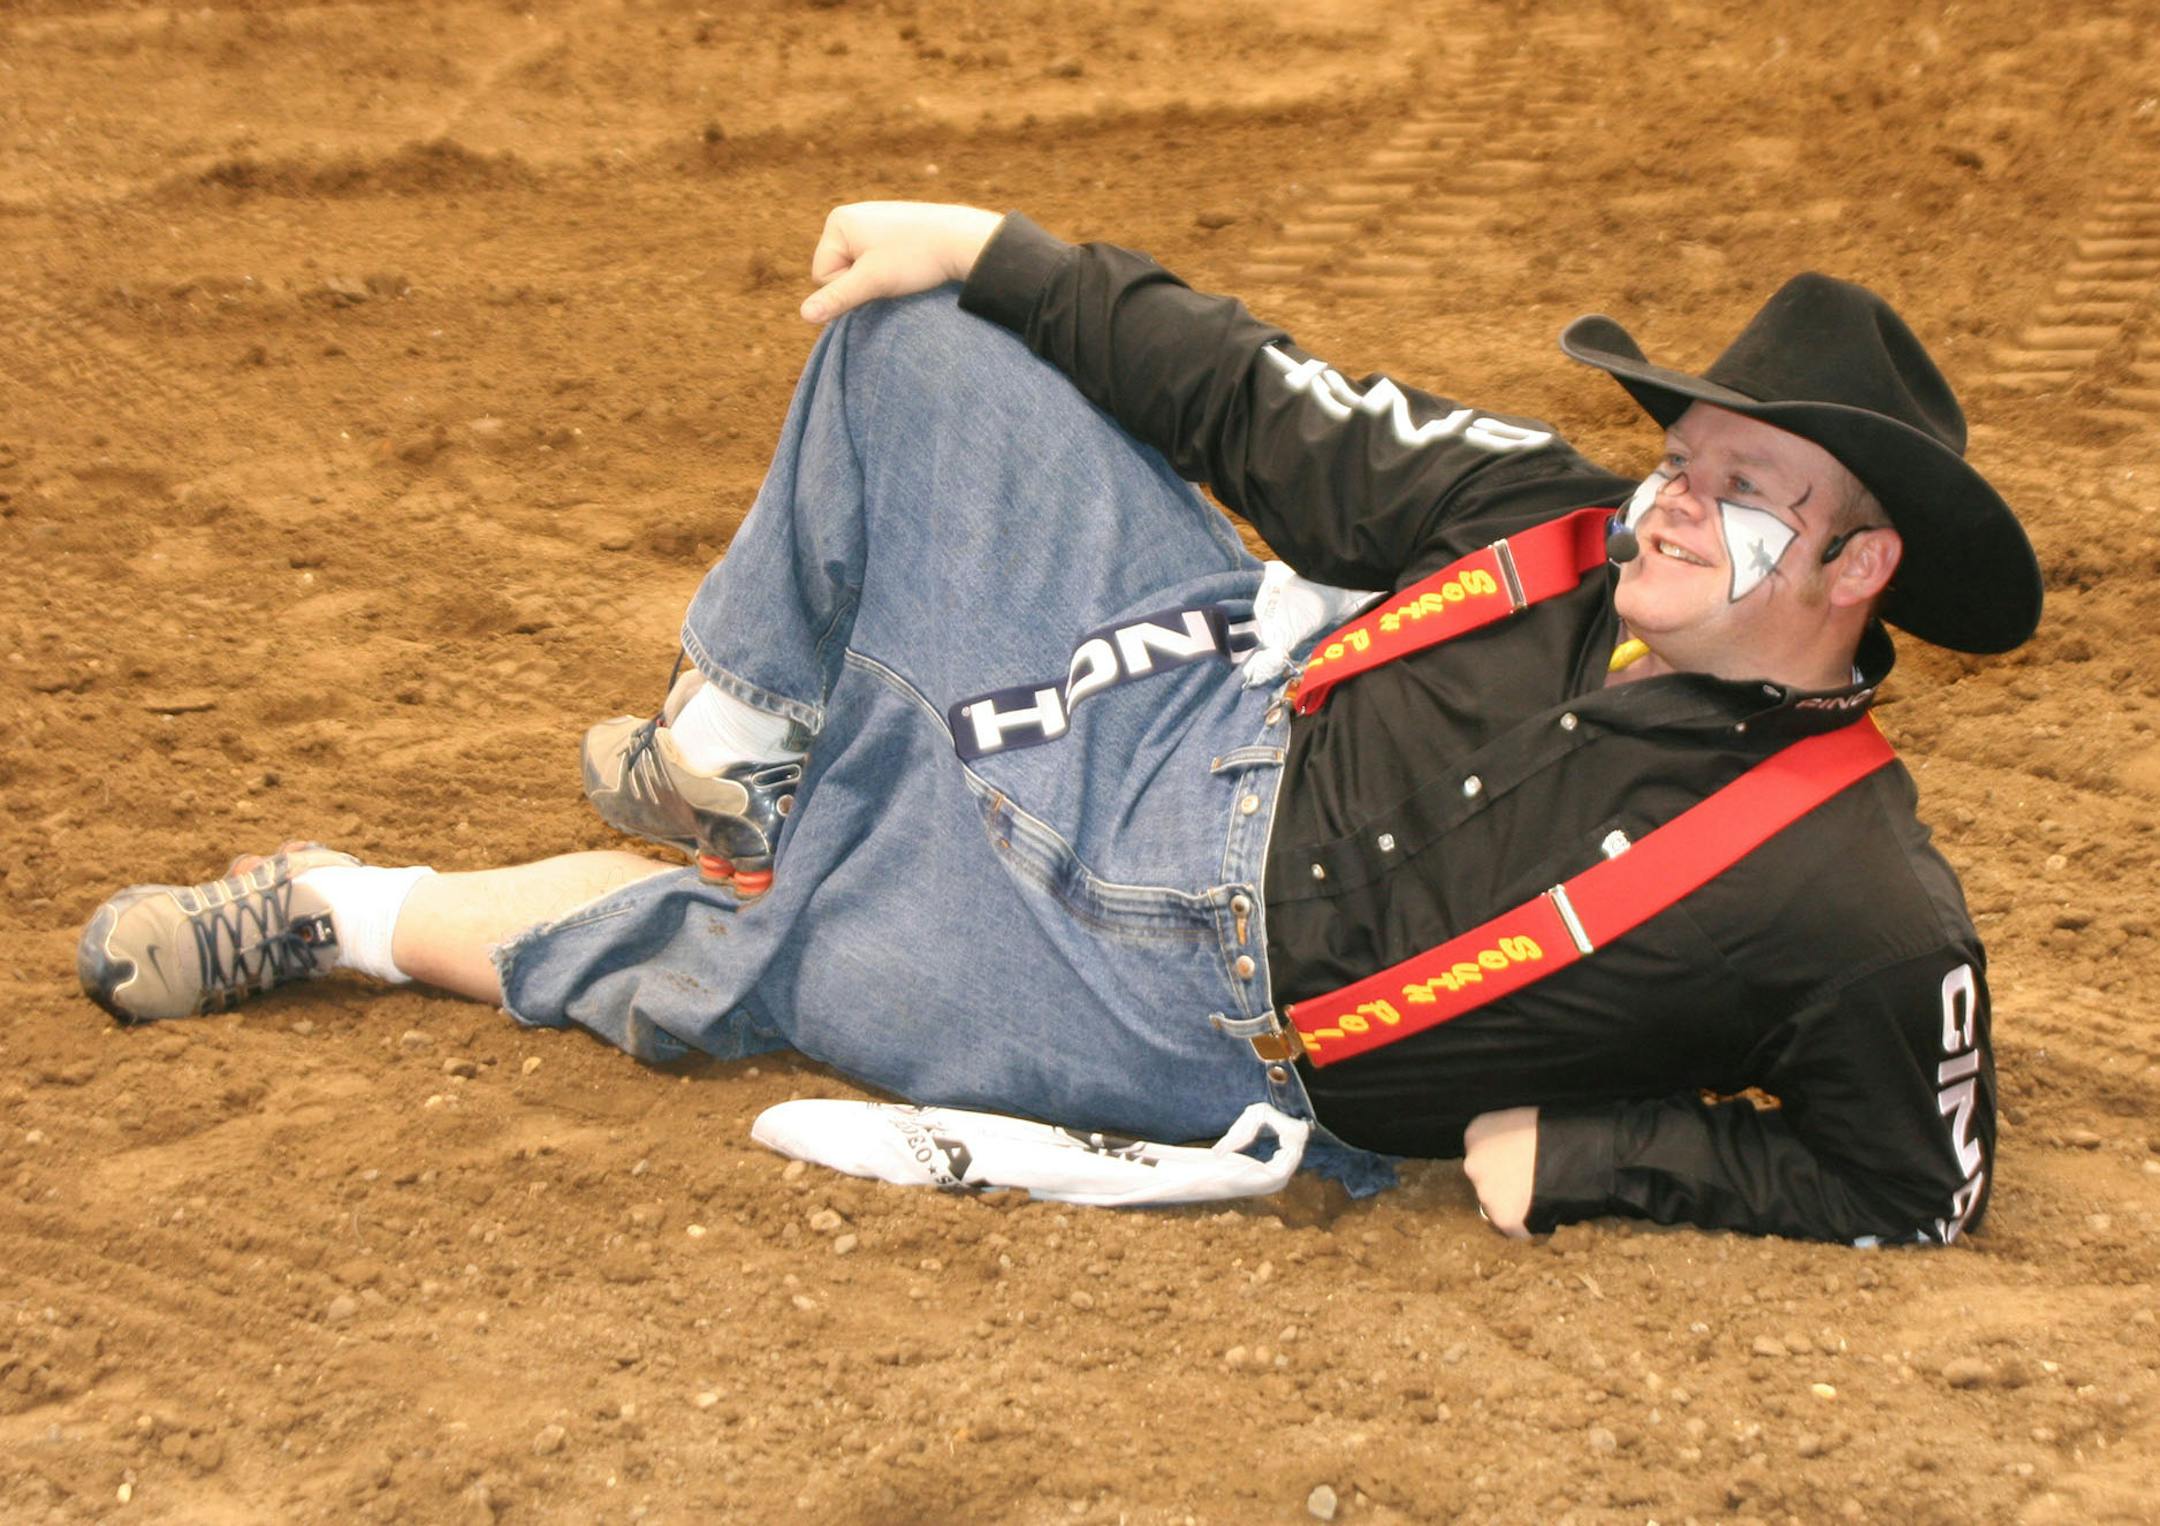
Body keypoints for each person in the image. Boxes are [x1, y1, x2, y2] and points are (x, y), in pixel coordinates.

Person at [76, 202, 2042, 1244]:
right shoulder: (1553, 518)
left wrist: (1609, 1155)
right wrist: (997, 249)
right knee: (917, 343)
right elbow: (1266, 406)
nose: (1674, 502)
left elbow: (1916, 1185)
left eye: (1744, 489)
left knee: (733, 963)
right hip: (1190, 691)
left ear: (1863, 569)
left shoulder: (1858, 899)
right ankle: (747, 743)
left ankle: (330, 904)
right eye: (1680, 456)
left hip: (1170, 1011)